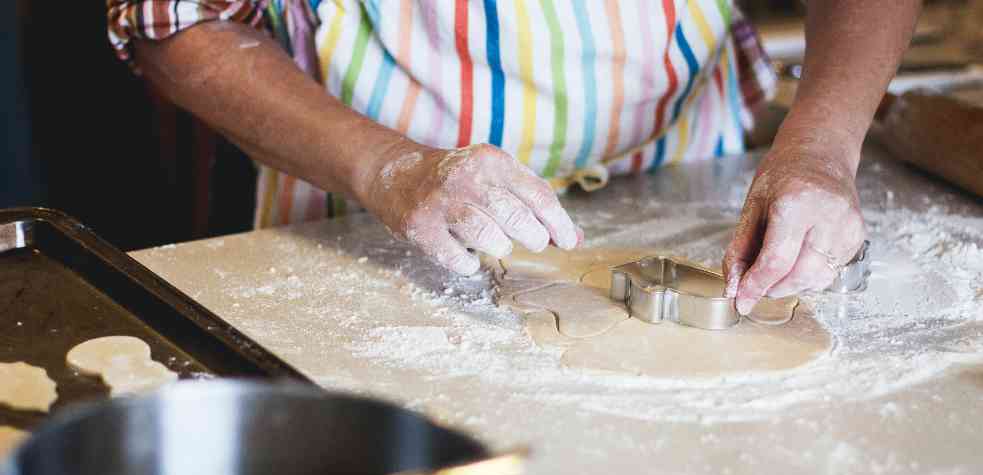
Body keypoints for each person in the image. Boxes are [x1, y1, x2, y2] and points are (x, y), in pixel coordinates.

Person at [107, 0, 920, 314]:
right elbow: (170, 24)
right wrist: (388, 168)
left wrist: (819, 145)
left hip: (693, 190)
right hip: (376, 227)